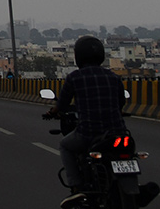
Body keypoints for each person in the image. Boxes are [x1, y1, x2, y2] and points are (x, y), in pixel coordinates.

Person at [46, 36, 126, 207]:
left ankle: (76, 188)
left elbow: (62, 104)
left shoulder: (75, 77)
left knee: (65, 146)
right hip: (117, 132)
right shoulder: (113, 77)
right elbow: (121, 103)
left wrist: (52, 112)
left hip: (90, 133)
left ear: (78, 56)